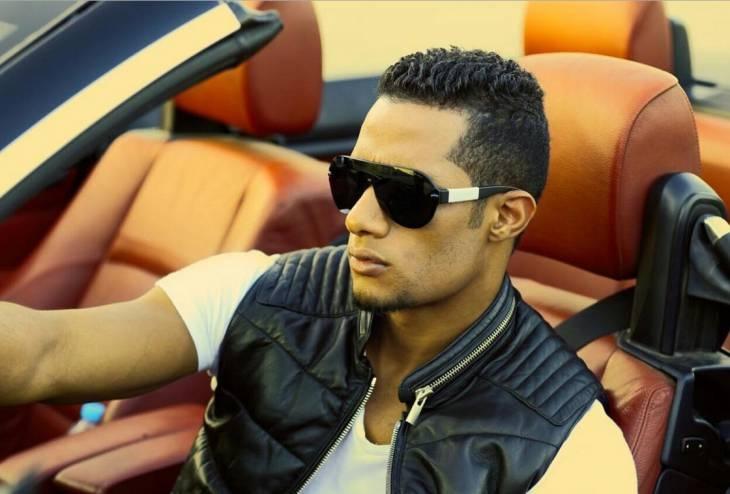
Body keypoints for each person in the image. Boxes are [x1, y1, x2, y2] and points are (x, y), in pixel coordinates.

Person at [0, 48, 636, 493]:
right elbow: (44, 354)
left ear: (505, 216)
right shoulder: (262, 293)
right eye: (354, 180)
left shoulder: (566, 450)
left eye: (405, 195)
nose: (361, 218)